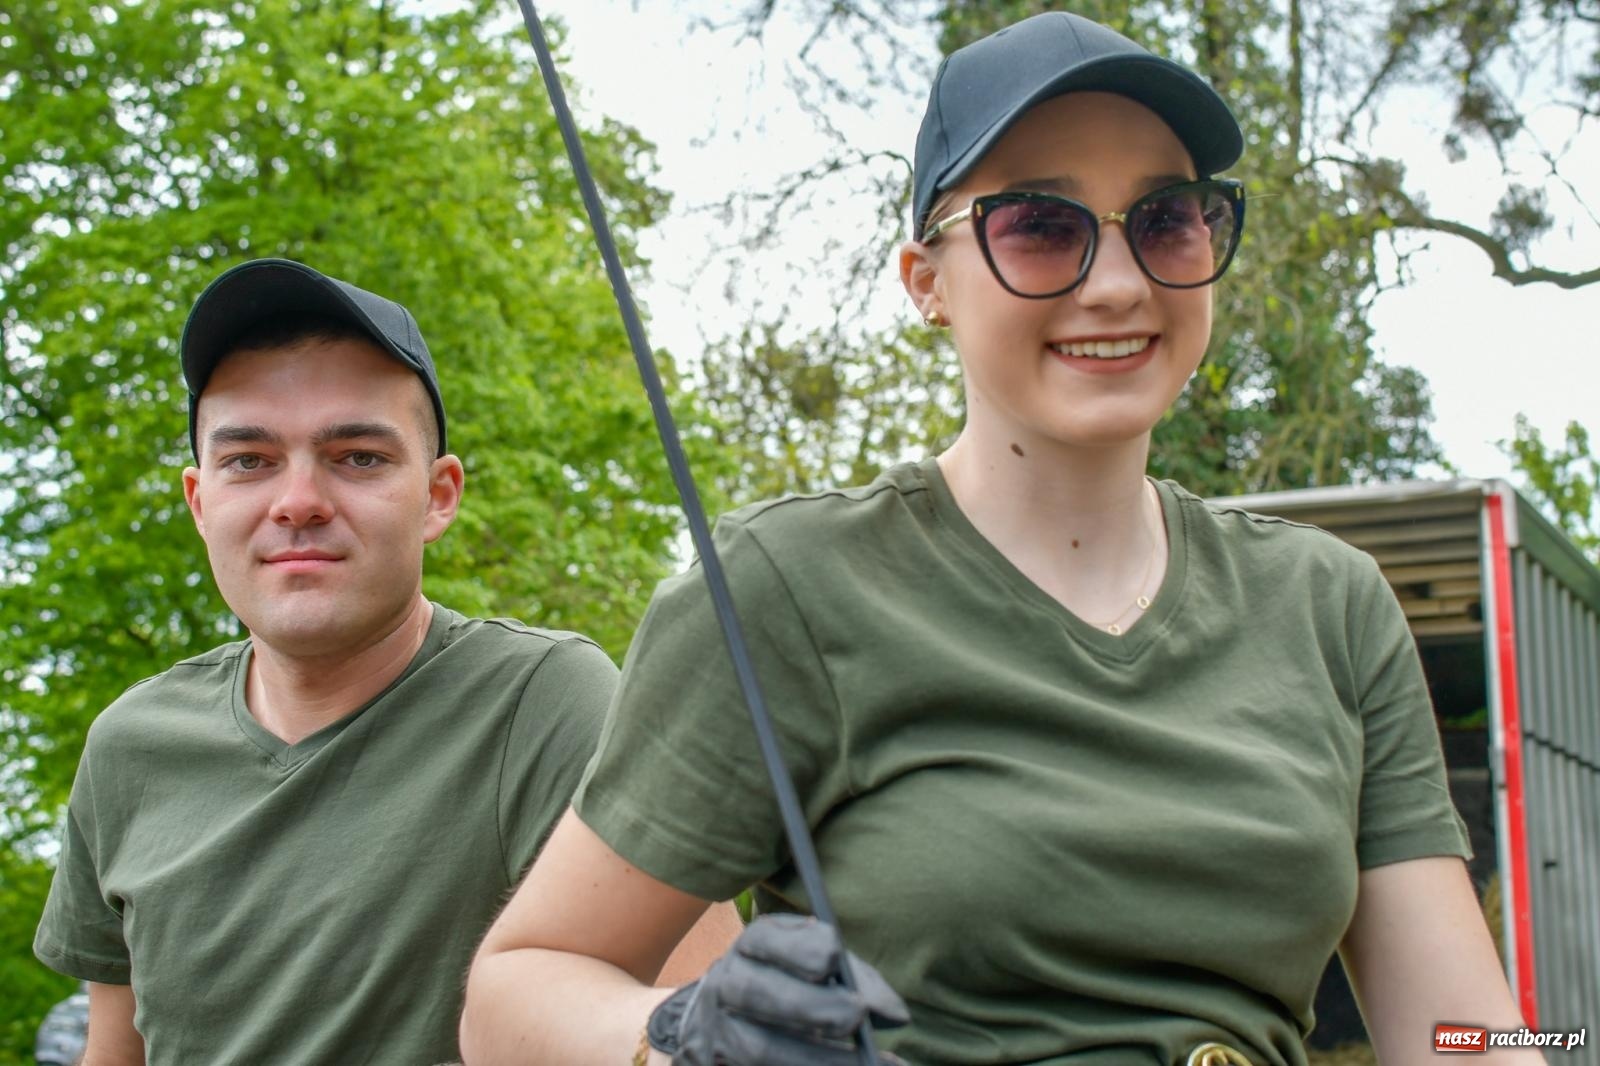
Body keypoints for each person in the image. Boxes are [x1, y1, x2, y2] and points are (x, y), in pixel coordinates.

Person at [460, 12, 1538, 1066]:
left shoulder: (1330, 604)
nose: (1116, 282)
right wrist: (674, 1036)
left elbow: (1470, 1038)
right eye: (1038, 225)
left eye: (1166, 218)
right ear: (926, 282)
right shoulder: (782, 591)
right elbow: (515, 990)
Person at [31, 258, 738, 1065]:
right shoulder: (128, 747)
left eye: (358, 456)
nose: (297, 500)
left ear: (438, 495)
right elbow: (112, 1055)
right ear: (200, 501)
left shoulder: (543, 704)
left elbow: (705, 1030)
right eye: (249, 461)